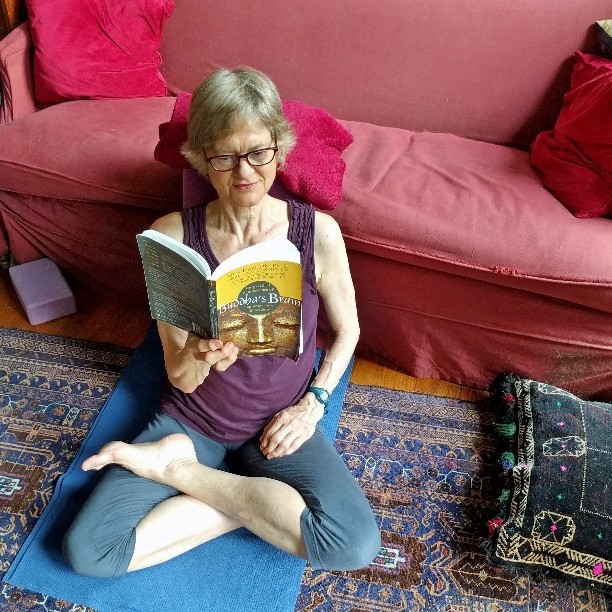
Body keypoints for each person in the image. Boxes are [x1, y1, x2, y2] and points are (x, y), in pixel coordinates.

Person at [63, 66, 381, 578]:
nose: (245, 173)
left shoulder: (318, 232)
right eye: (225, 158)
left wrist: (313, 405)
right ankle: (246, 497)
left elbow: (349, 332)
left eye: (258, 153)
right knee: (89, 552)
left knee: (353, 543)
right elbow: (179, 375)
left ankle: (181, 471)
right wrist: (196, 354)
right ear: (201, 159)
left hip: (279, 421)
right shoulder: (171, 237)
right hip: (195, 420)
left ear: (279, 147)